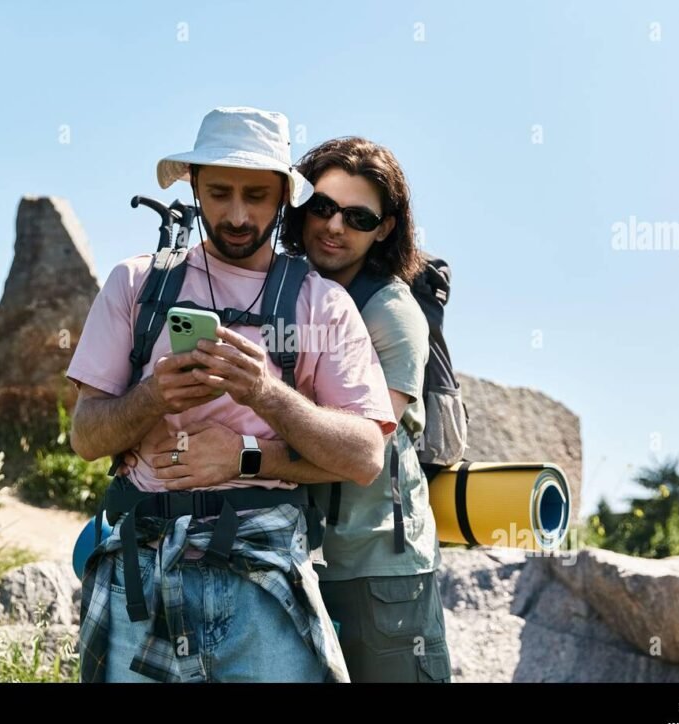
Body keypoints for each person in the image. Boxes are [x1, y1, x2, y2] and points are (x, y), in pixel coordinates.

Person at [67, 108, 397, 683]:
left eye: (257, 196)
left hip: (262, 581)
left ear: (282, 199)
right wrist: (151, 396)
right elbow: (85, 437)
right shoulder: (136, 282)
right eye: (219, 193)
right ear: (193, 186)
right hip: (139, 575)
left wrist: (266, 394)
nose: (238, 215)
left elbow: (366, 455)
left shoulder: (321, 304)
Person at [143, 136, 452, 682]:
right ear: (298, 206)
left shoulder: (392, 314)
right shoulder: (288, 291)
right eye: (323, 207)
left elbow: (362, 454)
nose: (334, 226)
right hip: (292, 556)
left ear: (384, 228)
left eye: (358, 216)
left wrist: (240, 459)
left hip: (375, 565)